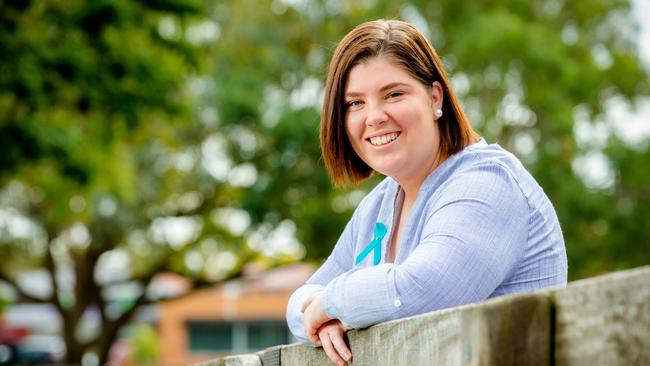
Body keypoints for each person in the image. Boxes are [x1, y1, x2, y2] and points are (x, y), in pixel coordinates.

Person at [286, 19, 567, 366]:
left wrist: (330, 305)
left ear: (435, 97)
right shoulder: (378, 205)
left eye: (393, 94)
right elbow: (299, 302)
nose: (373, 117)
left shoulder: (488, 183)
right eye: (355, 103)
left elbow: (419, 291)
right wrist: (318, 314)